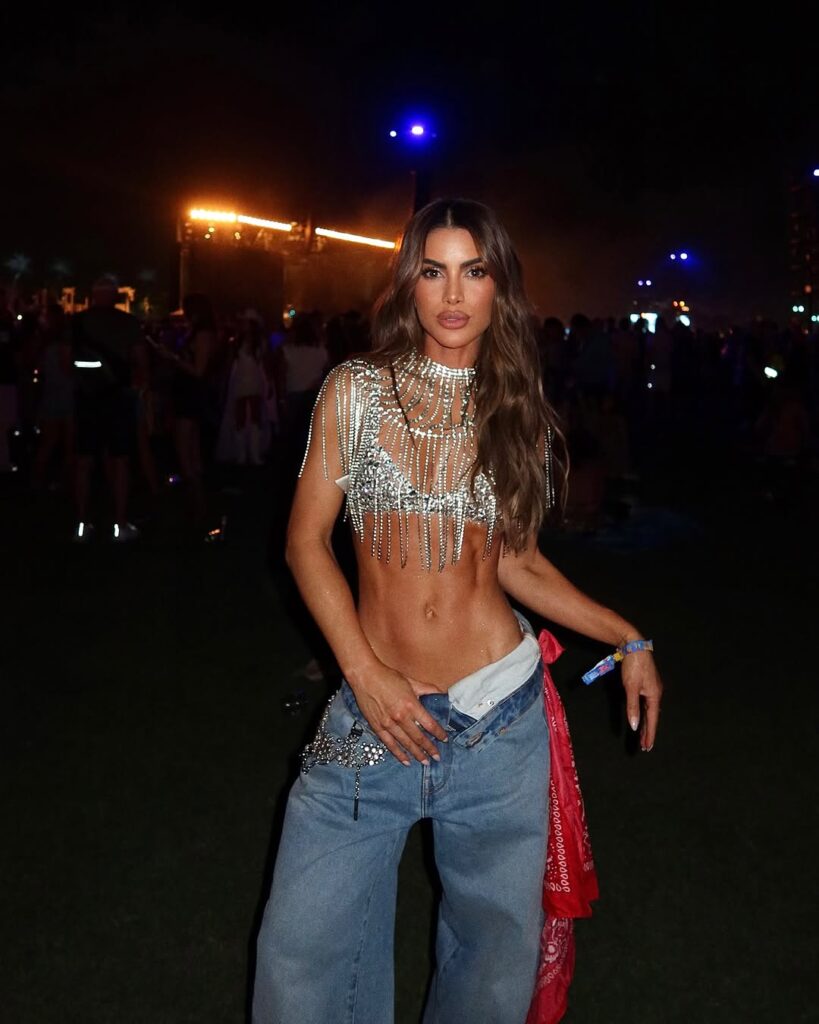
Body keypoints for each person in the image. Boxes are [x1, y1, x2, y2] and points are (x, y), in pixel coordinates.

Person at [252, 198, 663, 1024]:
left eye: (472, 272)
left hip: (497, 725)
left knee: (489, 967)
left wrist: (627, 638)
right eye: (432, 271)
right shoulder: (356, 391)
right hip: (374, 717)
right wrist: (364, 674)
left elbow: (515, 561)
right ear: (408, 284)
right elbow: (304, 543)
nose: (451, 293)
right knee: (301, 955)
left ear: (498, 287)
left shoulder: (517, 411)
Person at [72, 276, 146, 542]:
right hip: (118, 397)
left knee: (84, 461)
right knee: (120, 459)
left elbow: (64, 361)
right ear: (115, 295)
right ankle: (119, 524)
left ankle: (82, 524)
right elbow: (140, 360)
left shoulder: (78, 322)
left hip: (87, 398)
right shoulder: (127, 322)